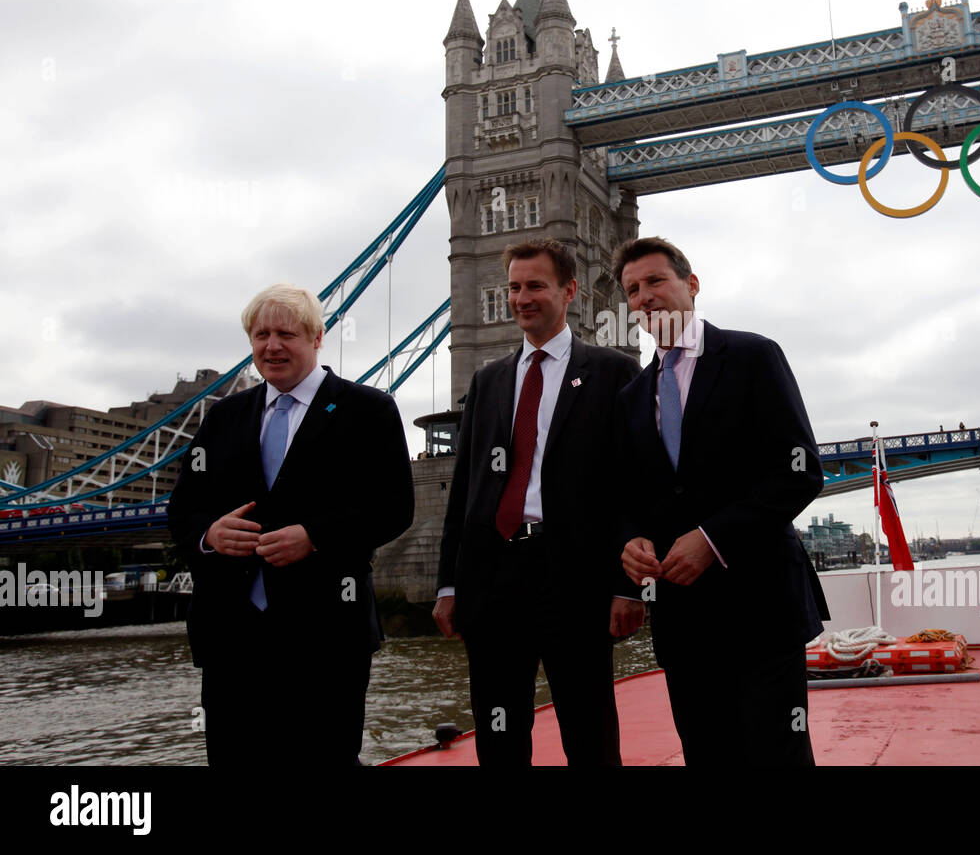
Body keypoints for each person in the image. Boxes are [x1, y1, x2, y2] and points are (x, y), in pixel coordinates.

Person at [167, 284, 414, 765]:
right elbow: (183, 508)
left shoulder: (369, 410)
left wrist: (316, 537)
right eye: (260, 335)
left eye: (286, 333)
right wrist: (210, 534)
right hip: (232, 634)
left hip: (326, 634)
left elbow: (394, 507)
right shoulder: (223, 417)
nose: (271, 346)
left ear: (317, 337)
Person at [614, 236, 829, 766]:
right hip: (682, 614)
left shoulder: (753, 354)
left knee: (777, 752)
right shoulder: (632, 397)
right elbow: (632, 496)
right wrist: (631, 542)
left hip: (760, 603)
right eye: (633, 290)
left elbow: (800, 470)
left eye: (656, 281)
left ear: (691, 284)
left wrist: (713, 539)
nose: (645, 297)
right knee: (706, 750)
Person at [434, 239, 643, 766]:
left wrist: (628, 586)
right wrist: (449, 582)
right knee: (498, 725)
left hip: (575, 574)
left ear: (569, 291)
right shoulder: (488, 380)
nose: (521, 298)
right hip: (492, 573)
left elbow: (633, 487)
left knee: (588, 724)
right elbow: (465, 491)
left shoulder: (614, 373)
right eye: (513, 288)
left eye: (534, 286)